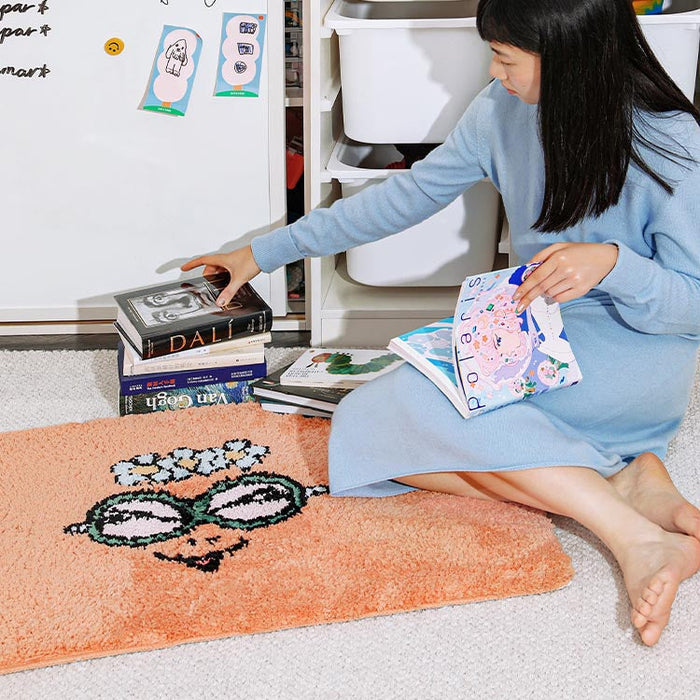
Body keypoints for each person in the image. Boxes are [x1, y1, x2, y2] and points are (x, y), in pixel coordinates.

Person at [182, 0, 700, 646]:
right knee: (365, 423)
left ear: (571, 58)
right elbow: (406, 198)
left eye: (507, 58)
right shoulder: (501, 112)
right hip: (534, 334)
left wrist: (614, 265)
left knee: (428, 416)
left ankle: (632, 537)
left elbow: (690, 305)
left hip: (633, 352)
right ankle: (618, 482)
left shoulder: (670, 139)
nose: (494, 71)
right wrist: (261, 253)